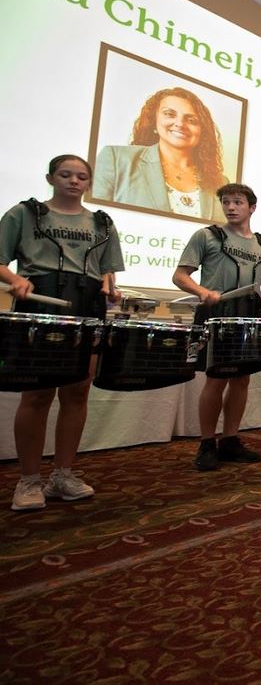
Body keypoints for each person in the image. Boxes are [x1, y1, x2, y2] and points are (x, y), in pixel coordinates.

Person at [1, 154, 125, 511]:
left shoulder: (102, 222)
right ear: (50, 177)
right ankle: (28, 480)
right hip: (39, 305)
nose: (73, 181)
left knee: (77, 393)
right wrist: (15, 280)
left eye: (81, 176)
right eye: (65, 174)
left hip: (86, 306)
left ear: (88, 183)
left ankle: (63, 474)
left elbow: (107, 271)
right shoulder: (24, 214)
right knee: (37, 395)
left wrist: (109, 287)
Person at [174, 183, 261, 471]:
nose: (231, 207)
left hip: (249, 313)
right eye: (226, 202)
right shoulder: (207, 236)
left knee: (242, 379)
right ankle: (207, 442)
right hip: (217, 313)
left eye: (237, 202)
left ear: (252, 208)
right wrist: (201, 291)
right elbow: (180, 275)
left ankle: (230, 439)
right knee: (216, 378)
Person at [93, 87, 229, 221]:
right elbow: (91, 222)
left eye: (191, 120)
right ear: (154, 121)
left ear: (202, 131)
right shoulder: (116, 159)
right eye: (170, 114)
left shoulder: (221, 183)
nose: (180, 124)